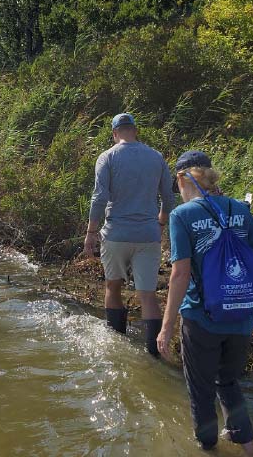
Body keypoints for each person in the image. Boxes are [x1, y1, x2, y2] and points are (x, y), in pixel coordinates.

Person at [157, 151, 253, 456]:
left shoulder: (183, 215)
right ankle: (249, 449)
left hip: (202, 317)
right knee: (229, 382)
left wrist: (166, 328)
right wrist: (240, 293)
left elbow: (179, 274)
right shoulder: (240, 209)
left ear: (182, 178)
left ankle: (208, 448)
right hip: (242, 316)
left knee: (201, 390)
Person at [83, 113, 175, 357]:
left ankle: (116, 348)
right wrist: (161, 224)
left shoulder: (107, 157)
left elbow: (99, 197)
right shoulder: (156, 157)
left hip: (115, 234)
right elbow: (169, 197)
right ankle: (155, 355)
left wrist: (91, 232)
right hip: (148, 235)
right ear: (135, 130)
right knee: (148, 295)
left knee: (113, 288)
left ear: (114, 134)